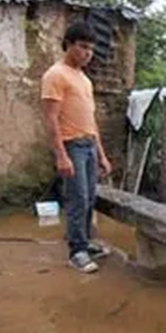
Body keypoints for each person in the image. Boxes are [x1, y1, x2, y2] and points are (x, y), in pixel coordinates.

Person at [41, 21, 112, 273]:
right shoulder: (55, 75)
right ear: (68, 45)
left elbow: (91, 121)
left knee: (89, 198)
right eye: (82, 47)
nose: (87, 53)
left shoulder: (84, 79)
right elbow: (50, 119)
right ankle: (76, 252)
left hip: (89, 145)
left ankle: (85, 242)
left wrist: (102, 155)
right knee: (77, 199)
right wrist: (61, 155)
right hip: (71, 146)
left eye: (91, 49)